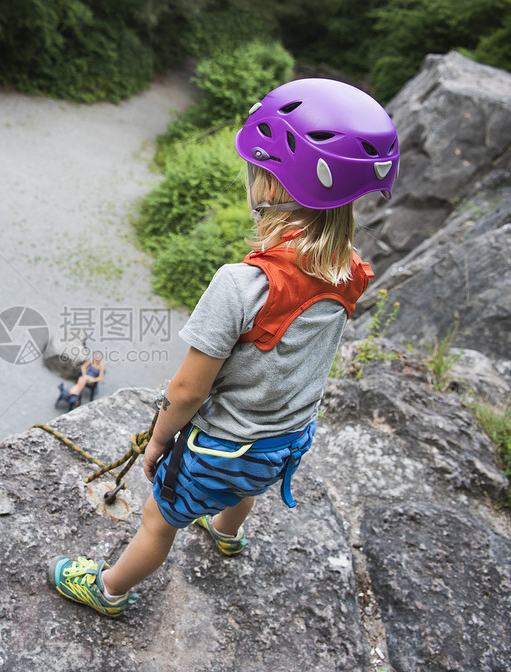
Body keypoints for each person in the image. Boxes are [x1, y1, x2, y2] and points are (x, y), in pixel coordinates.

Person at [47, 78, 400, 617]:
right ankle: (227, 534)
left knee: (158, 521)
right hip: (285, 440)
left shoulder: (241, 284)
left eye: (257, 168)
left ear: (273, 185)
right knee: (247, 483)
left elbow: (188, 390)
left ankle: (109, 589)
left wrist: (159, 441)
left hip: (222, 448)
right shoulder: (348, 268)